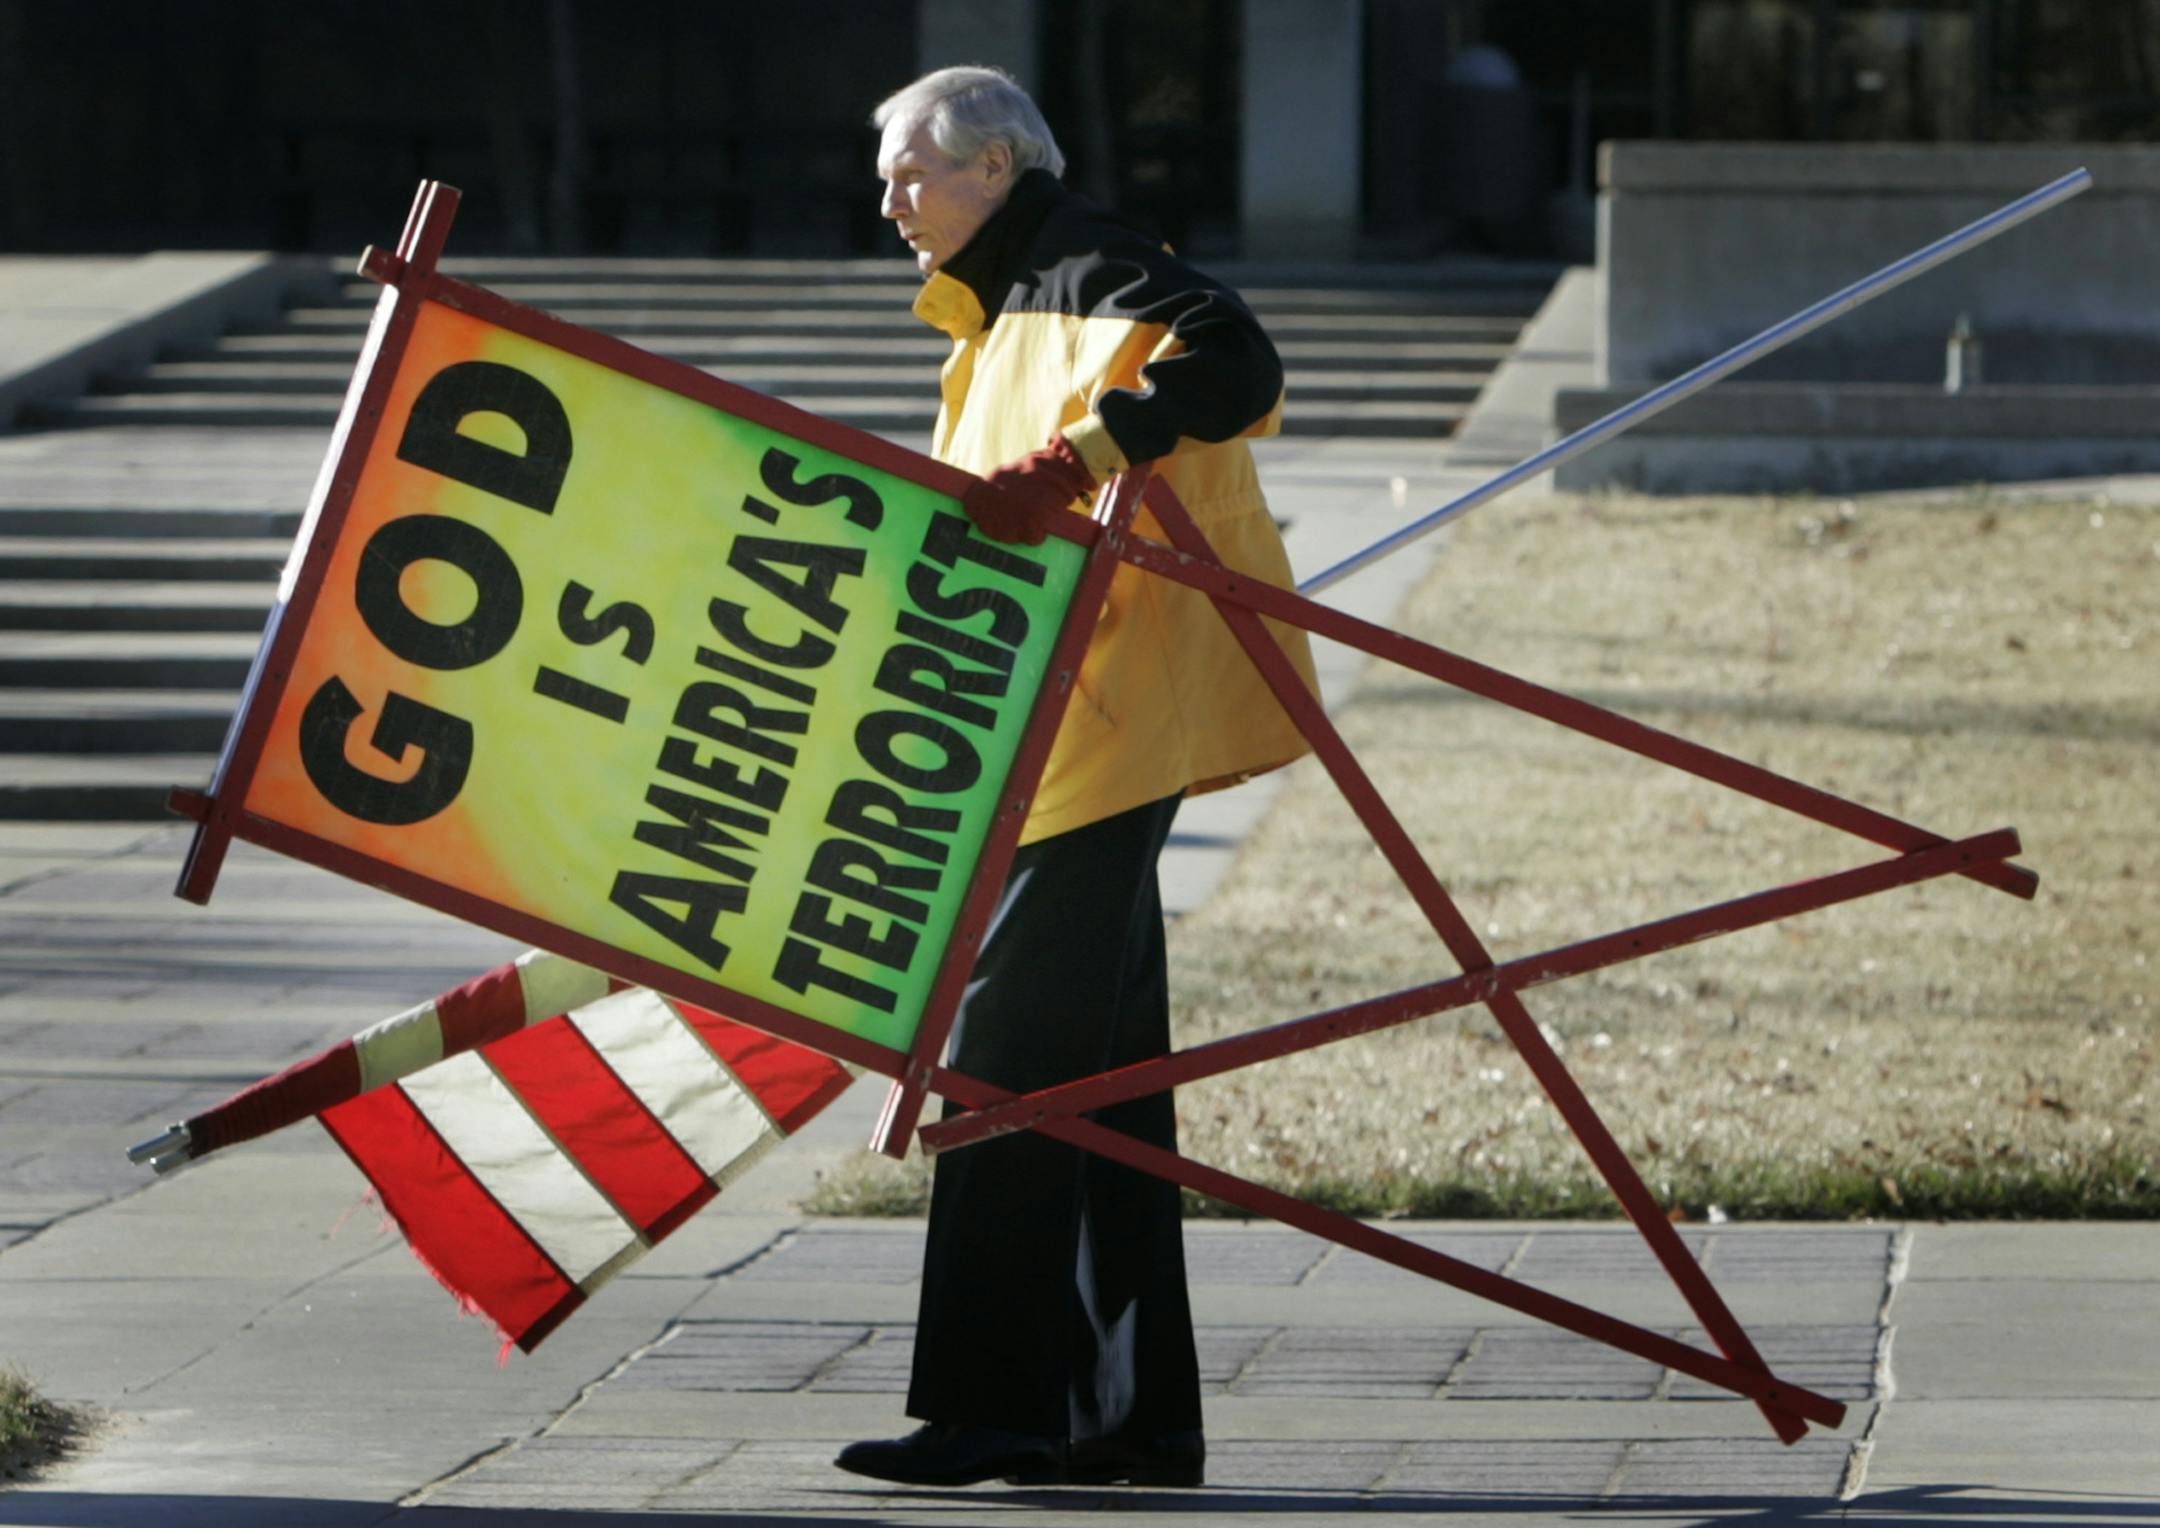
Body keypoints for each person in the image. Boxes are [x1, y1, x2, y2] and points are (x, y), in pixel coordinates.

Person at [834, 65, 1319, 1491]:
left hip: (1110, 728)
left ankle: (999, 1408)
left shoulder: (1091, 267)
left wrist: (1081, 456)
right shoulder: (1003, 304)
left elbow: (1239, 364)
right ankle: (1135, 1422)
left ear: (992, 165)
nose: (888, 202)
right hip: (1073, 729)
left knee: (1004, 1056)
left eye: (908, 174)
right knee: (1100, 1078)